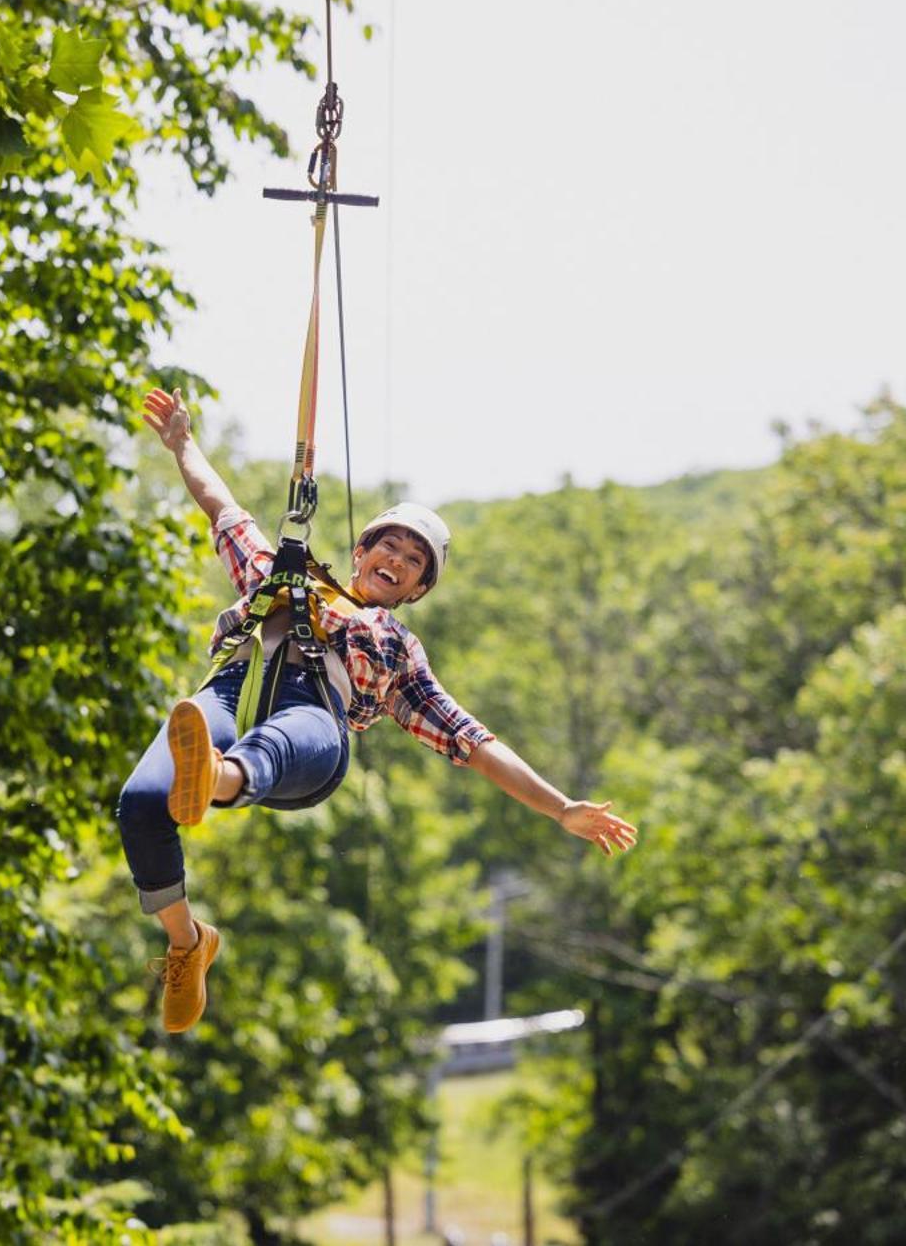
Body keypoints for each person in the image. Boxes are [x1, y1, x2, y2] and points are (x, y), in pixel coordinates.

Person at [119, 388, 639, 1034]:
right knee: (141, 800)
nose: (396, 558)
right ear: (362, 552)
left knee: (283, 736)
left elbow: (472, 740)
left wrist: (561, 806)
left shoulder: (396, 649)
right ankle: (187, 939)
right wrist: (182, 442)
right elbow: (222, 506)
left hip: (314, 726)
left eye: (413, 558)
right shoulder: (286, 572)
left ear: (418, 589)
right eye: (388, 546)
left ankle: (216, 778)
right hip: (232, 693)